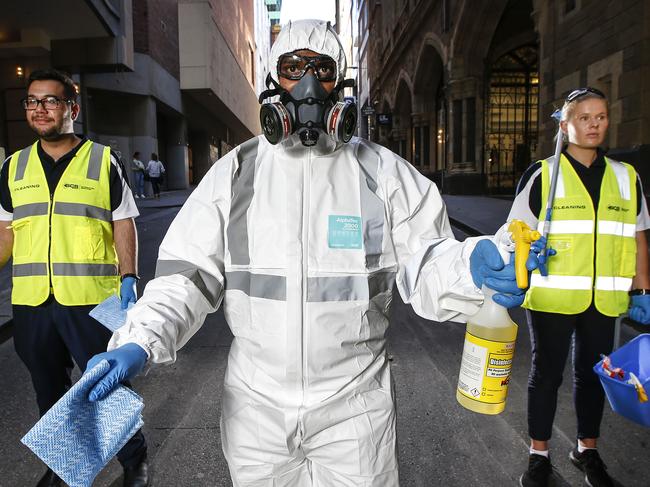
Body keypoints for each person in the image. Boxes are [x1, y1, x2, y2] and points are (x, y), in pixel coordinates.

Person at [84, 20, 544, 487]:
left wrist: (472, 267)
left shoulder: (383, 173)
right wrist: (139, 340)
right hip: (255, 407)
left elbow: (428, 261)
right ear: (273, 80)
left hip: (355, 408)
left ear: (339, 84)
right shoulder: (236, 173)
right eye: (292, 67)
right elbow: (186, 278)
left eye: (321, 69)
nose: (307, 83)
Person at [0, 69, 149, 487]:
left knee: (106, 385)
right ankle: (63, 463)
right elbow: (6, 232)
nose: (39, 109)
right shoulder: (13, 167)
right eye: (32, 101)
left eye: (50, 100)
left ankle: (134, 461)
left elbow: (123, 223)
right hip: (32, 304)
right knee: (48, 391)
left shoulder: (103, 160)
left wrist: (129, 276)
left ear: (72, 108)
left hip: (90, 299)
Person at [509, 87, 650, 487]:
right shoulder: (543, 175)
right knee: (546, 375)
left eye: (601, 116)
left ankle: (587, 450)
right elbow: (514, 232)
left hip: (604, 299)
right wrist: (519, 263)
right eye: (584, 117)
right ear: (564, 124)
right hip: (553, 296)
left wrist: (643, 290)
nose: (594, 124)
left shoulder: (627, 178)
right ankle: (539, 455)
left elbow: (639, 236)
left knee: (594, 376)